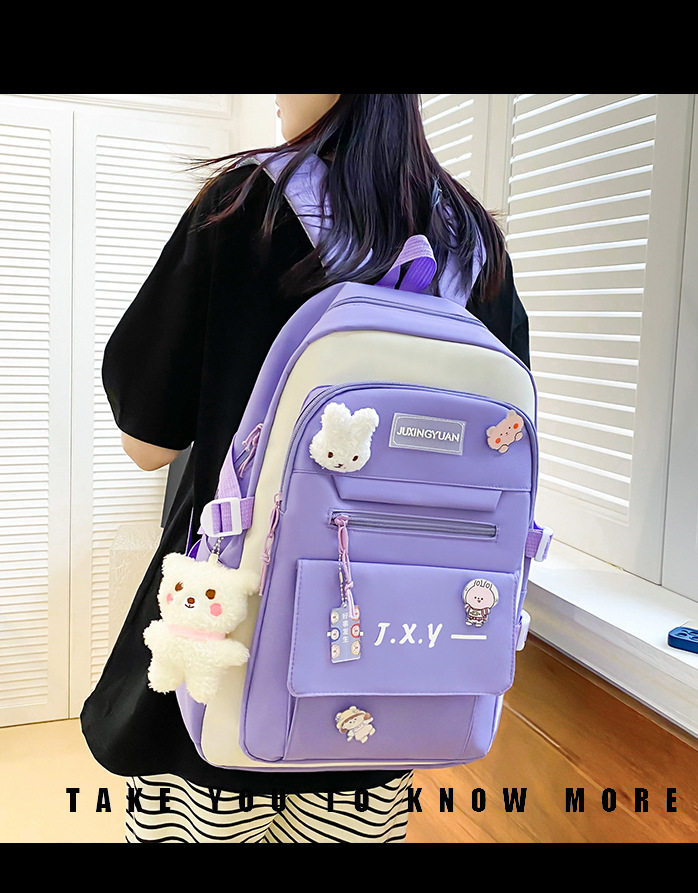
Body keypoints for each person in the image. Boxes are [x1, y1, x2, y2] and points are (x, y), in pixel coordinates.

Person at [80, 93, 530, 844]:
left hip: (221, 650)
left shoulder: (245, 205)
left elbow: (146, 443)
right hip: (386, 673)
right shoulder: (474, 244)